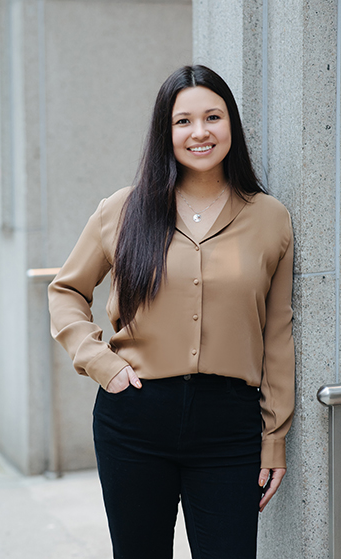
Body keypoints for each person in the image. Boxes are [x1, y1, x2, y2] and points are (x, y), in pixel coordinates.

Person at [48, 65, 295, 559]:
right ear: (167, 130)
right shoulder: (121, 210)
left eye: (213, 117)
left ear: (232, 125)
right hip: (135, 418)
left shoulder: (270, 217)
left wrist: (274, 439)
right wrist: (103, 363)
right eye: (184, 121)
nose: (199, 132)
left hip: (230, 427)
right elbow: (66, 291)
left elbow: (277, 333)